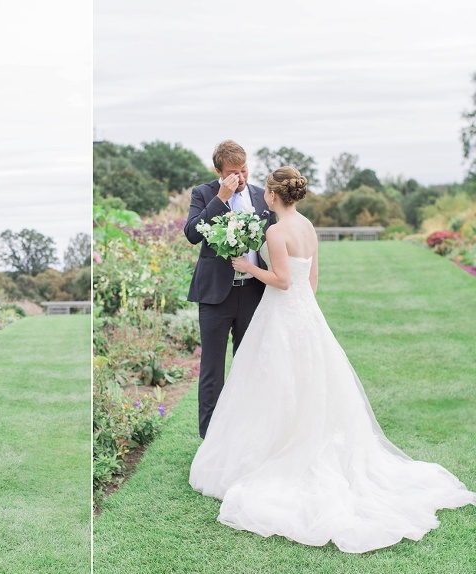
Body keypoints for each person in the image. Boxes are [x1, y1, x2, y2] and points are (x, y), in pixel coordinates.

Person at [189, 166, 476, 553]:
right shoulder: (308, 225)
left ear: (272, 196)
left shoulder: (275, 231)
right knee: (307, 381)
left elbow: (282, 279)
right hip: (306, 314)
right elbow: (311, 281)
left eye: (267, 194)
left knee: (270, 381)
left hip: (281, 312)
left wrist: (249, 267)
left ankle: (274, 449)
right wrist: (306, 311)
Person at [184, 140, 276, 438]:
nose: (240, 177)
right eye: (233, 172)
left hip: (253, 292)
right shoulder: (204, 193)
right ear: (219, 172)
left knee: (249, 365)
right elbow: (192, 234)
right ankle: (209, 439)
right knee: (212, 370)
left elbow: (275, 238)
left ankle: (245, 435)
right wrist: (221, 198)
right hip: (214, 296)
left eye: (244, 170)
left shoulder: (262, 198)